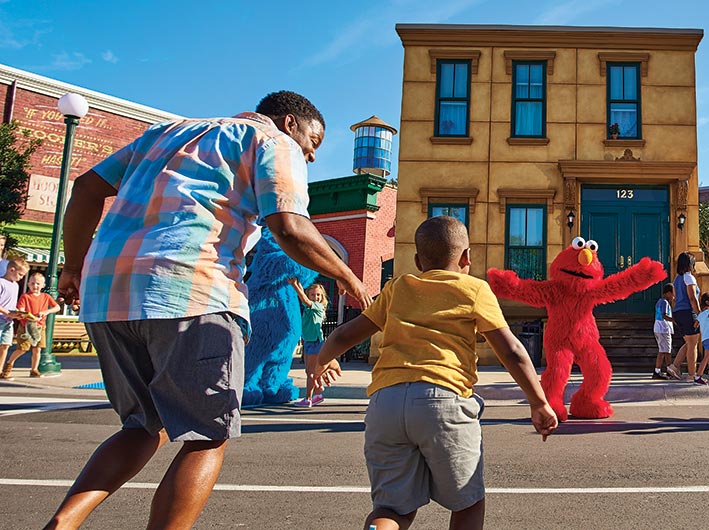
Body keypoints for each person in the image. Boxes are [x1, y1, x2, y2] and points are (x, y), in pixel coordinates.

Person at [45, 91, 373, 530]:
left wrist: (73, 265)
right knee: (207, 437)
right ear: (290, 122)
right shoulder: (274, 142)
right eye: (312, 144)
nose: (310, 157)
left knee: (143, 427)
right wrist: (349, 278)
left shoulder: (166, 133)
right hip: (193, 291)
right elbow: (289, 226)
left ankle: (64, 522)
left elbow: (86, 187)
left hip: (109, 297)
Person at [313, 216, 558, 530]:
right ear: (466, 257)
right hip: (443, 398)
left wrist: (322, 360)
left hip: (386, 403)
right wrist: (538, 402)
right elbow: (511, 350)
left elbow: (346, 335)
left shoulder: (397, 287)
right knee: (468, 502)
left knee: (393, 509)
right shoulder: (474, 289)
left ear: (417, 261)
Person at [6, 272, 60, 377]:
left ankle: (34, 369)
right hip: (26, 326)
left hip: (40, 327)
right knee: (22, 348)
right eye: (33, 283)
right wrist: (26, 315)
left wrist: (46, 312)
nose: (35, 286)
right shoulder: (25, 296)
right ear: (28, 284)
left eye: (38, 284)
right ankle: (9, 363)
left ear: (43, 285)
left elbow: (57, 307)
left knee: (37, 349)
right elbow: (21, 309)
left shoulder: (46, 296)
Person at [289, 278, 328, 406]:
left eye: (318, 295)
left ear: (322, 297)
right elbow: (305, 299)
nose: (316, 297)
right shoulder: (308, 307)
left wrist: (295, 286)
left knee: (311, 372)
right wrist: (298, 283)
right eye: (313, 294)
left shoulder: (318, 306)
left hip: (315, 342)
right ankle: (317, 393)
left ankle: (308, 398)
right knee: (308, 370)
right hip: (308, 341)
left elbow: (304, 299)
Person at [666, 252, 701, 381]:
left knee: (689, 342)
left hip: (678, 312)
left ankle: (675, 366)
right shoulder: (689, 277)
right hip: (688, 311)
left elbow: (675, 298)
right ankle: (692, 375)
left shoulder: (676, 279)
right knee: (693, 345)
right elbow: (692, 298)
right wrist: (700, 314)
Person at [0, 257, 30, 379]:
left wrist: (17, 312)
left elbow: (12, 302)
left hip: (9, 321)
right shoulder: (1, 283)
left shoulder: (16, 286)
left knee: (5, 345)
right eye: (20, 274)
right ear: (12, 270)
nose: (21, 277)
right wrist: (7, 312)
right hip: (2, 318)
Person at [652, 284, 675, 379]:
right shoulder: (664, 302)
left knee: (664, 350)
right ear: (669, 293)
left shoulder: (660, 302)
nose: (674, 296)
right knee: (665, 351)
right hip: (663, 329)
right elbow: (664, 315)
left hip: (660, 328)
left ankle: (665, 370)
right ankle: (666, 370)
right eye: (673, 294)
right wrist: (674, 320)